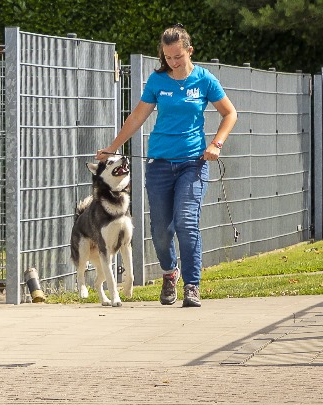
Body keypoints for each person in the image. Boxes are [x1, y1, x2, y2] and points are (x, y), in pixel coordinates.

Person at [97, 25, 237, 308]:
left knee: (186, 222)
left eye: (177, 56)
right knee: (160, 230)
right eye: (167, 57)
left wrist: (216, 144)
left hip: (193, 164)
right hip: (159, 164)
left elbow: (229, 113)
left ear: (189, 51)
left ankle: (192, 285)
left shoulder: (205, 80)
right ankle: (169, 272)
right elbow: (137, 117)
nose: (172, 62)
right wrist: (113, 147)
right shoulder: (157, 81)